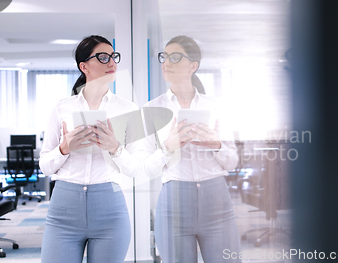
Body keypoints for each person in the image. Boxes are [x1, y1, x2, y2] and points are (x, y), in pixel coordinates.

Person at [39, 35, 140, 263]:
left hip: (110, 211)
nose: (112, 63)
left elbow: (135, 169)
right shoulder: (62, 108)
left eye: (114, 57)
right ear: (84, 66)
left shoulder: (128, 109)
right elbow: (45, 166)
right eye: (103, 57)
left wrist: (114, 148)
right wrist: (64, 148)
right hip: (64, 209)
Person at [142, 35, 241, 263]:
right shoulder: (152, 109)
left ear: (193, 66)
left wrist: (216, 145)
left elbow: (232, 162)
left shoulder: (215, 106)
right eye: (164, 57)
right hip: (174, 204)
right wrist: (168, 147)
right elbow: (146, 168)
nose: (166, 63)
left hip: (217, 201)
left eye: (175, 57)